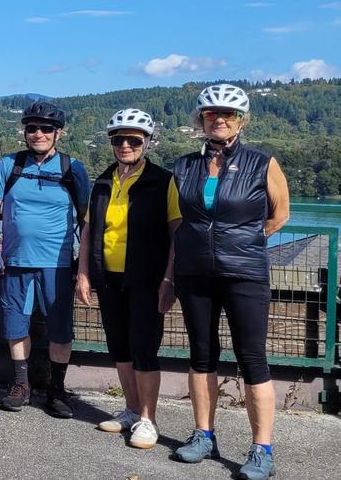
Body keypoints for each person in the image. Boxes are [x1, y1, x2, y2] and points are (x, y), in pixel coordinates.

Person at [168, 84, 289, 480]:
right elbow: (178, 220)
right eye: (211, 114)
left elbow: (278, 216)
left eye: (229, 114)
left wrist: (242, 243)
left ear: (242, 119)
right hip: (195, 272)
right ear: (200, 119)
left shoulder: (262, 162)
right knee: (201, 355)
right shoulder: (184, 165)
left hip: (245, 272)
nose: (219, 120)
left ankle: (262, 449)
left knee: (252, 358)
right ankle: (203, 435)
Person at [75, 109, 181, 449]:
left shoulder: (164, 181)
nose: (125, 145)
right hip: (109, 277)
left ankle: (149, 419)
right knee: (119, 346)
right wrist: (83, 272)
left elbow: (176, 234)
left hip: (148, 278)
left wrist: (170, 279)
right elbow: (90, 229)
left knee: (144, 348)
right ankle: (132, 410)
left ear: (147, 143)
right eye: (118, 139)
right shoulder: (104, 180)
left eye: (133, 140)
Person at [0, 101, 90, 417]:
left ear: (58, 133)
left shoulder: (73, 169)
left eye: (46, 129)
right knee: (16, 324)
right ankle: (21, 384)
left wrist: (83, 266)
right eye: (32, 128)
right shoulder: (10, 165)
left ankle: (56, 389)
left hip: (57, 263)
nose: (38, 134)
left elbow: (86, 219)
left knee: (60, 329)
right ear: (25, 132)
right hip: (14, 260)